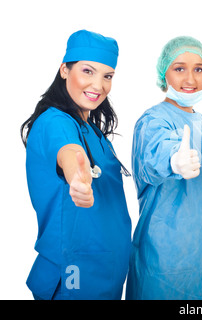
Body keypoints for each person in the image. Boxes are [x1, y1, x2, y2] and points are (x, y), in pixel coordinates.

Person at [20, 30, 132, 300]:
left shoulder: (91, 129)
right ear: (64, 70)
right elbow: (70, 153)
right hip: (74, 276)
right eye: (88, 71)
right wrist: (77, 179)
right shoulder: (54, 122)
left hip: (104, 273)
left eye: (108, 76)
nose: (98, 85)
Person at [126, 36, 202, 300]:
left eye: (198, 69)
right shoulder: (154, 119)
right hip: (164, 265)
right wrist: (173, 160)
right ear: (164, 73)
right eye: (179, 68)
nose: (190, 79)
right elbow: (154, 153)